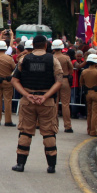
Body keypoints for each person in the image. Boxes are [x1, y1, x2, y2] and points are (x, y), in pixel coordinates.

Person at [11, 35, 63, 172]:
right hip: (46, 101)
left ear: (33, 45)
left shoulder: (24, 59)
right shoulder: (53, 60)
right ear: (46, 45)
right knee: (49, 132)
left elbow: (14, 80)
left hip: (28, 100)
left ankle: (20, 164)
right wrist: (45, 96)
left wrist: (26, 94)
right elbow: (59, 81)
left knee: (25, 132)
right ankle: (51, 166)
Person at [0, 40, 16, 126]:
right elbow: (14, 69)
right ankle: (8, 120)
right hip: (7, 81)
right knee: (7, 101)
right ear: (5, 48)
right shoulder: (9, 58)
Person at [51, 39, 74, 133]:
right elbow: (71, 69)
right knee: (65, 104)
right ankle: (67, 126)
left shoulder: (51, 57)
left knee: (54, 104)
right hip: (64, 79)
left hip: (55, 80)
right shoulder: (66, 57)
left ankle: (54, 125)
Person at [80, 53, 97, 137]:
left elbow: (81, 82)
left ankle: (89, 129)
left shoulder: (84, 71)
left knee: (89, 113)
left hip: (87, 93)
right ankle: (93, 131)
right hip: (96, 93)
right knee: (95, 113)